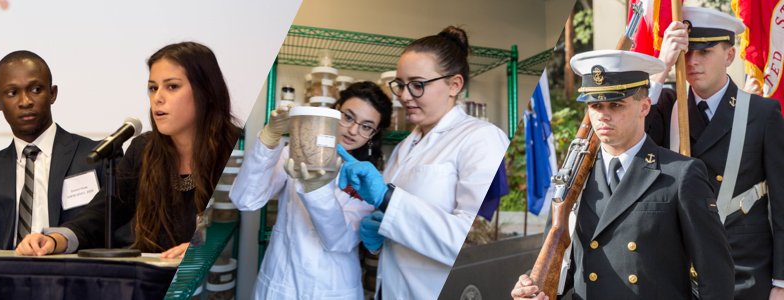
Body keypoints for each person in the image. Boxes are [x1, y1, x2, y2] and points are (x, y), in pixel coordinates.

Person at [511, 50, 734, 300]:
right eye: (595, 105)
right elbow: (562, 263)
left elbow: (715, 274)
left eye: (616, 104)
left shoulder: (680, 174)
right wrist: (533, 287)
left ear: (645, 106)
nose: (604, 115)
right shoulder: (574, 177)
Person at [15, 42, 241, 257]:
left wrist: (202, 245)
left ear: (207, 92)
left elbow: (240, 225)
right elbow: (100, 214)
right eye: (153, 88)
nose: (157, 98)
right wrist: (55, 240)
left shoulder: (237, 148)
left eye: (172, 86)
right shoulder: (143, 150)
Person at [335, 26, 510, 299]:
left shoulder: (482, 139)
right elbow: (403, 226)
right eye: (400, 85)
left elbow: (476, 240)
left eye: (417, 85)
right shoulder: (406, 145)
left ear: (454, 85)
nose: (404, 96)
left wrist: (388, 200)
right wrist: (381, 231)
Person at [645, 7, 784, 299]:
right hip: (676, 272)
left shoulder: (761, 112)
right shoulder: (666, 107)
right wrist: (662, 66)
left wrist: (781, 284)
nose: (693, 61)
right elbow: (632, 136)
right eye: (686, 52)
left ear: (730, 56)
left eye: (705, 52)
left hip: (743, 273)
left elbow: (782, 205)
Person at [230, 81, 392, 299]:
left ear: (374, 133)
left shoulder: (369, 178)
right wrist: (270, 136)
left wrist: (317, 188)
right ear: (336, 111)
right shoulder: (295, 152)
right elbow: (245, 199)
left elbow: (340, 240)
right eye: (348, 117)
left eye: (366, 126)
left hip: (333, 287)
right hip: (281, 282)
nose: (353, 130)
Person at [0, 50, 106, 250]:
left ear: (53, 93)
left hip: (75, 277)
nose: (25, 102)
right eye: (13, 93)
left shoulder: (97, 157)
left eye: (36, 89)